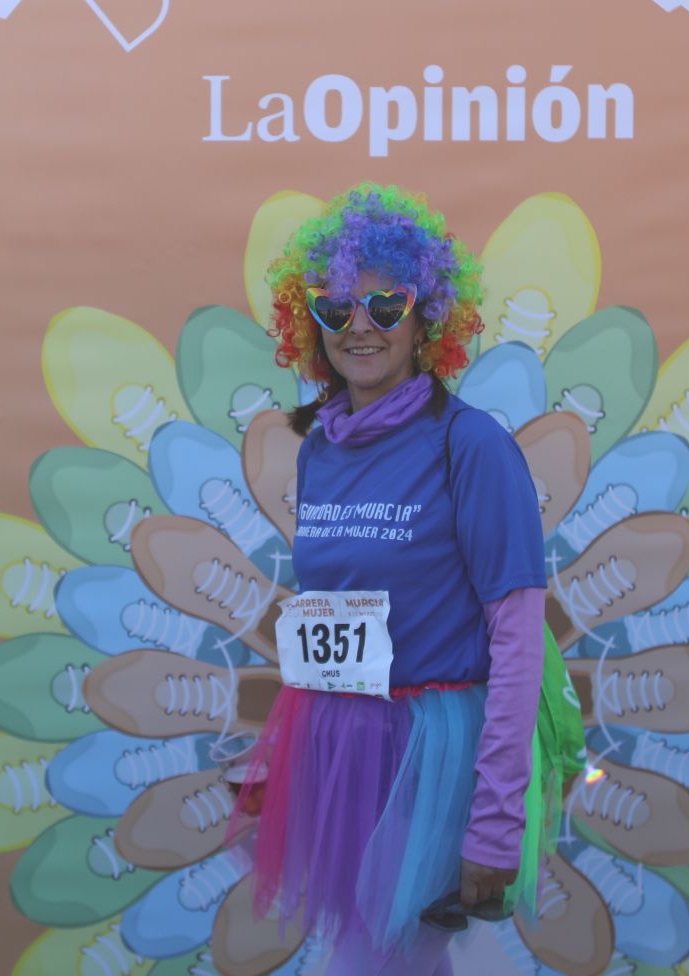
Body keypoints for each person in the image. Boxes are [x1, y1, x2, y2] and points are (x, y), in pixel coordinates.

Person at [239, 183, 563, 976]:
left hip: (428, 759)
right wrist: (279, 756)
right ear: (306, 321)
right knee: (366, 958)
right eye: (336, 306)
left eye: (387, 305)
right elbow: (327, 623)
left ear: (428, 321)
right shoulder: (319, 449)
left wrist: (494, 824)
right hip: (338, 747)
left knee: (390, 963)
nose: (361, 326)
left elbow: (518, 641)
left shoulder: (473, 447)